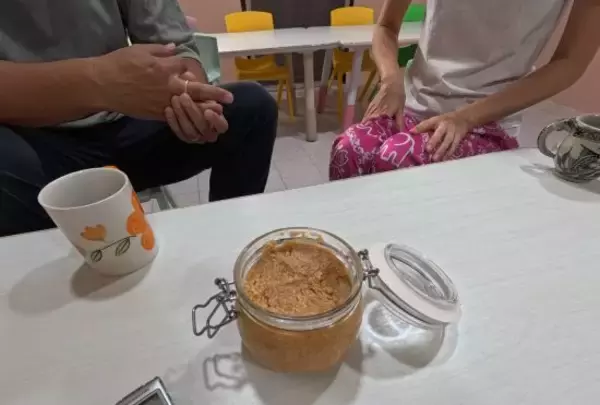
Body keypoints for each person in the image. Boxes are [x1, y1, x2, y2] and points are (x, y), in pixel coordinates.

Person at [0, 1, 278, 237]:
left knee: (254, 108)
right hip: (31, 141)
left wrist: (192, 101)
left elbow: (175, 47)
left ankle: (230, 249)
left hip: (122, 122)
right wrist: (98, 82)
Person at [330, 0, 600, 180]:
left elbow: (570, 62)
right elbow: (386, 27)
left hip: (487, 121)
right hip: (413, 103)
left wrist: (465, 117)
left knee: (396, 159)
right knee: (349, 149)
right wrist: (391, 80)